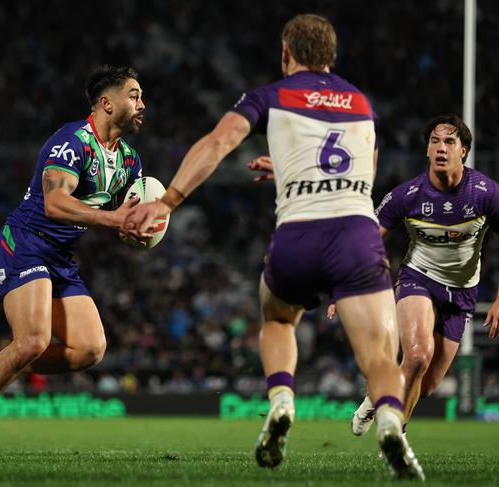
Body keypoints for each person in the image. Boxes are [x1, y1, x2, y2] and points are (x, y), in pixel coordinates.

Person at [124, 14, 424, 480]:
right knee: (381, 358)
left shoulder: (270, 96)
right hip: (356, 238)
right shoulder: (362, 103)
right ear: (332, 56)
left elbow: (219, 141)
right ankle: (389, 420)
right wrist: (289, 170)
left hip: (297, 236)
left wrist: (168, 200)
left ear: (287, 53)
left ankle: (282, 400)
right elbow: (358, 174)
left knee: (279, 318)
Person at [0, 65, 147, 463]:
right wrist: (116, 219)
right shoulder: (72, 141)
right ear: (106, 102)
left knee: (90, 349)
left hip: (60, 258)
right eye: (133, 95)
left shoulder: (131, 162)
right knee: (32, 341)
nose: (142, 104)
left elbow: (115, 212)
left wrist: (132, 228)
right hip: (26, 244)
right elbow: (55, 203)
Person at [347, 114, 499, 436]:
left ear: (464, 151)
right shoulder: (408, 194)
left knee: (427, 385)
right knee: (416, 356)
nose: (441, 148)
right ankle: (394, 438)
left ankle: (375, 397)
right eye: (434, 141)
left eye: (449, 141)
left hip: (462, 292)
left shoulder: (486, 193)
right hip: (419, 277)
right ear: (427, 151)